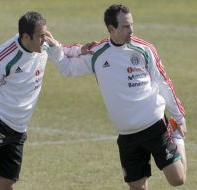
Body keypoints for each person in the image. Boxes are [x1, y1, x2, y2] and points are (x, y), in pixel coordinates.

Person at [0, 11, 87, 190]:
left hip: (18, 128)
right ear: (26, 37)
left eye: (46, 34)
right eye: (41, 36)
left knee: (6, 186)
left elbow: (62, 48)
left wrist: (81, 50)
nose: (46, 39)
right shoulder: (4, 59)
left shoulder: (43, 45)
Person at [53, 4, 187, 190]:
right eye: (125, 26)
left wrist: (178, 116)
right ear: (111, 29)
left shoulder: (144, 49)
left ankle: (176, 136)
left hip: (154, 125)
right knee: (137, 187)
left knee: (177, 179)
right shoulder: (97, 53)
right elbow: (67, 67)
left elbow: (164, 82)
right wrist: (52, 48)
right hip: (127, 134)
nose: (131, 30)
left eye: (131, 24)